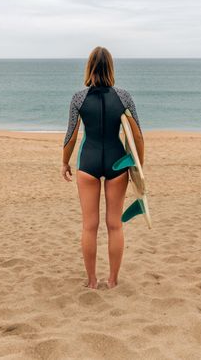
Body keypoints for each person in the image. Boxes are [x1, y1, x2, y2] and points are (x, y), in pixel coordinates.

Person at [61, 46, 143, 289]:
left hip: (88, 162)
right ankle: (113, 280)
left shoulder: (79, 98)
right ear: (111, 68)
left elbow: (71, 136)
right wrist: (139, 166)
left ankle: (92, 281)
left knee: (90, 225)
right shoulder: (124, 97)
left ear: (89, 68)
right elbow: (138, 136)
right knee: (114, 224)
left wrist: (64, 162)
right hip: (117, 162)